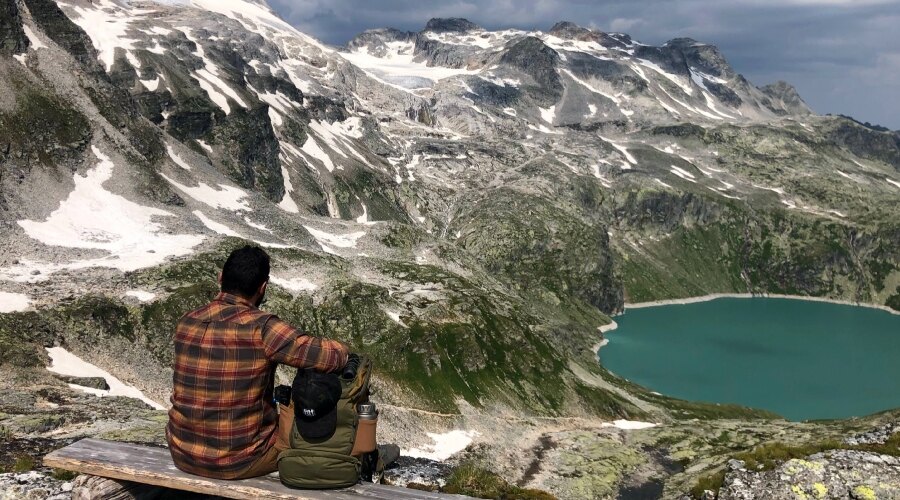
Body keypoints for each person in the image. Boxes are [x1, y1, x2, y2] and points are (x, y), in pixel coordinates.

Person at [166, 245, 349, 479]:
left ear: (220, 277)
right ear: (263, 288)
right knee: (311, 425)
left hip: (181, 453)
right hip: (241, 461)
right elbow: (328, 357)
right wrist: (345, 351)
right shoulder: (263, 328)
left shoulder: (187, 321)